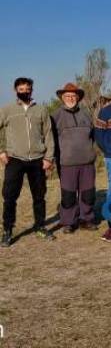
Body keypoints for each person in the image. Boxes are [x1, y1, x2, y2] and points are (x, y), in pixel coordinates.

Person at [0, 78, 56, 247]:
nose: (25, 91)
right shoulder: (7, 110)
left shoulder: (41, 110)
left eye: (27, 88)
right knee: (9, 196)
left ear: (32, 90)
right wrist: (1, 151)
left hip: (38, 160)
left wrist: (49, 157)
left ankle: (40, 226)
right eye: (21, 88)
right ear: (15, 90)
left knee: (39, 196)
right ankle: (7, 230)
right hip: (15, 159)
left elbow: (48, 134)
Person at [52, 83, 97, 233]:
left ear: (78, 98)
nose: (71, 98)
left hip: (87, 162)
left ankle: (87, 219)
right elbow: (50, 139)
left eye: (73, 96)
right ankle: (69, 222)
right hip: (67, 163)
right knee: (68, 194)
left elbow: (93, 135)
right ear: (62, 98)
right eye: (67, 96)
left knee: (88, 193)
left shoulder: (86, 114)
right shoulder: (55, 115)